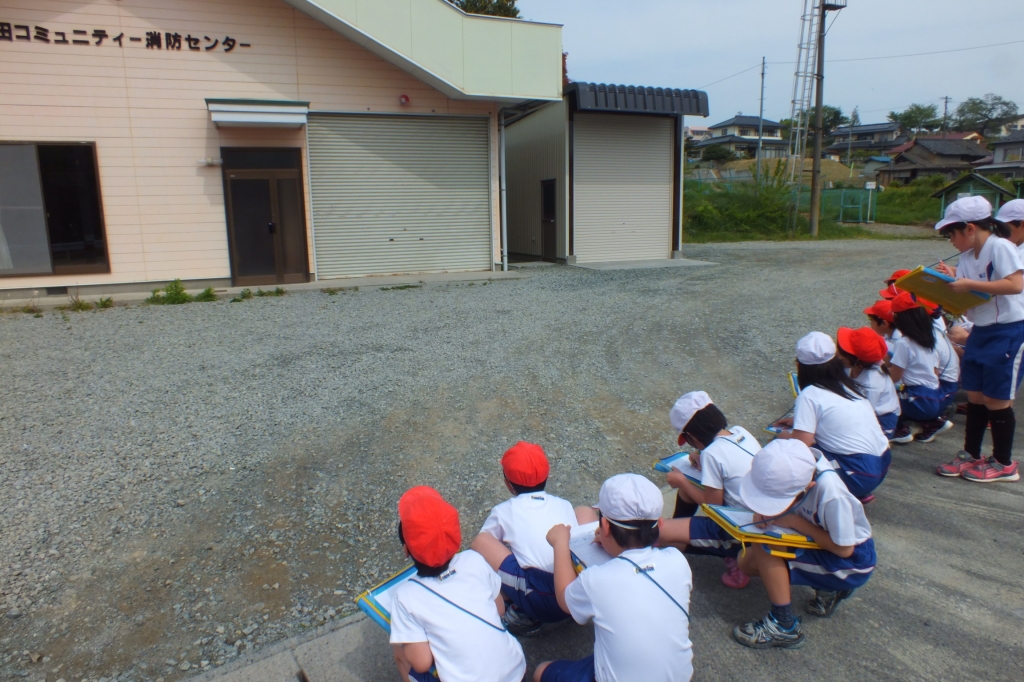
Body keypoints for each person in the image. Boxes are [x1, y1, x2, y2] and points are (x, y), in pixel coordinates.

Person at [534, 474, 693, 682]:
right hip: (680, 677)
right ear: (660, 524)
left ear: (605, 527)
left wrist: (560, 544)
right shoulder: (677, 561)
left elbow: (566, 599)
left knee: (541, 671)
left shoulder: (596, 580)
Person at [732, 440, 876, 650]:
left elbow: (844, 549)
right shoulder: (795, 466)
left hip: (852, 561)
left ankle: (784, 625)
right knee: (745, 563)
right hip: (822, 542)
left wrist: (793, 522)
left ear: (808, 487)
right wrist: (763, 511)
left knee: (765, 547)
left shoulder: (832, 494)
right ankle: (828, 588)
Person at [390, 486, 527, 682]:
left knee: (400, 649)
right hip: (516, 672)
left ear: (406, 550)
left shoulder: (405, 596)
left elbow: (421, 663)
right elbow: (499, 610)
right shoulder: (474, 560)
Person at [934, 196, 1024, 483]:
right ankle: (971, 454)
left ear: (970, 228)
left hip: (1008, 330)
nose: (951, 241)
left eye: (952, 233)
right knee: (974, 394)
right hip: (981, 329)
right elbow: (971, 291)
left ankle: (1004, 463)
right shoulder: (967, 255)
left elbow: (1015, 284)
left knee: (996, 399)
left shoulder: (1000, 247)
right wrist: (948, 282)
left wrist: (968, 284)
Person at [470, 441, 579, 635]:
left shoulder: (504, 511)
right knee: (583, 513)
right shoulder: (564, 504)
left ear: (508, 484)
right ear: (547, 475)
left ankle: (520, 612)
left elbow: (484, 549)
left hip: (544, 598)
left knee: (481, 543)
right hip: (576, 588)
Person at [774, 331, 892, 502]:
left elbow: (800, 445)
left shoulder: (809, 394)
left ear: (800, 365)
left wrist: (783, 436)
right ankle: (854, 493)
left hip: (857, 473)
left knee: (784, 449)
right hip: (881, 465)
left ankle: (834, 494)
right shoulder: (848, 385)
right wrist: (797, 422)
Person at [660, 391, 758, 589]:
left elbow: (713, 507)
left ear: (692, 436)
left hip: (743, 529)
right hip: (760, 514)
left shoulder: (713, 454)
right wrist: (702, 459)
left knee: (662, 534)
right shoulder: (740, 432)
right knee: (690, 489)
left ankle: (735, 555)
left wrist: (682, 481)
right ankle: (679, 528)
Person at [886, 292, 952, 444]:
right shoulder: (930, 339)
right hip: (935, 396)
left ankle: (900, 430)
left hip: (918, 400)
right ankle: (933, 422)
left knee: (885, 392)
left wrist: (879, 371)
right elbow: (934, 372)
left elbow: (894, 377)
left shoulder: (904, 343)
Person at [835, 326, 900, 439]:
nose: (838, 355)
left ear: (857, 362)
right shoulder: (853, 366)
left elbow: (866, 415)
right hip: (862, 410)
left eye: (842, 352)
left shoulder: (872, 382)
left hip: (881, 422)